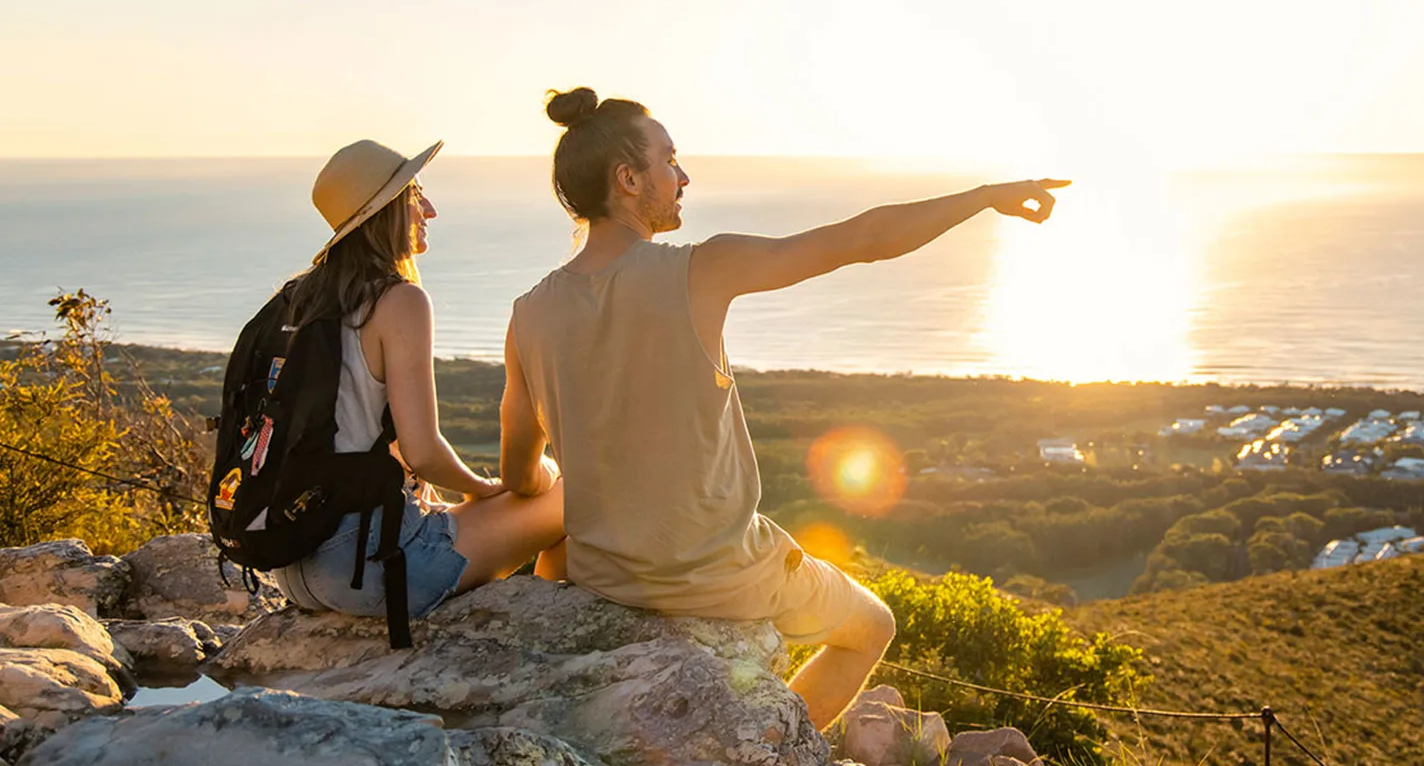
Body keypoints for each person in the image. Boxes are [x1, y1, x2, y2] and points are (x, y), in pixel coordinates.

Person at [502, 87, 1067, 728]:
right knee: (873, 624)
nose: (683, 176)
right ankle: (776, 740)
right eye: (669, 161)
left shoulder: (528, 315)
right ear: (627, 179)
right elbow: (864, 238)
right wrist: (985, 197)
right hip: (720, 574)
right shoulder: (700, 270)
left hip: (601, 575)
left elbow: (520, 475)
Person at [268, 138, 569, 619]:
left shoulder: (301, 298)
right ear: (384, 212)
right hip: (369, 565)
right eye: (415, 195)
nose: (429, 208)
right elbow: (424, 451)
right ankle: (550, 633)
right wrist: (483, 488)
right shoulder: (398, 300)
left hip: (292, 563)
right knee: (564, 492)